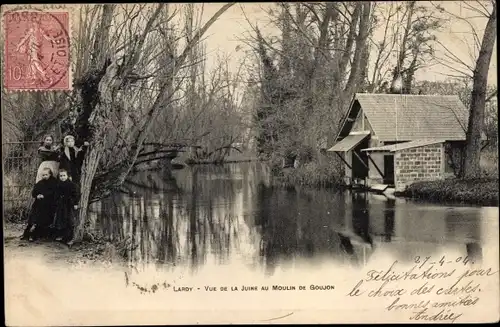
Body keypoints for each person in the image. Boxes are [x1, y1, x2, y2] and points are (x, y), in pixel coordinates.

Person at [21, 167, 58, 241]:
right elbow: (34, 192)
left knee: (41, 219)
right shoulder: (40, 183)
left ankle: (34, 235)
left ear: (50, 174)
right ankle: (27, 234)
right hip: (39, 203)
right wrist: (37, 195)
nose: (44, 176)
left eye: (46, 175)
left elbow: (54, 192)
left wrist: (44, 195)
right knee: (33, 217)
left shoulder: (54, 182)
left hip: (49, 204)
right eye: (43, 175)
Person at [51, 169, 79, 246]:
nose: (62, 177)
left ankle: (70, 237)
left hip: (68, 204)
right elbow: (55, 194)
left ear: (67, 176)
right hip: (61, 205)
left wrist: (75, 203)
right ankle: (62, 236)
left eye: (64, 175)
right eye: (61, 176)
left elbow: (75, 195)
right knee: (60, 220)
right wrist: (56, 201)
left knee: (69, 220)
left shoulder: (71, 185)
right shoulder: (58, 184)